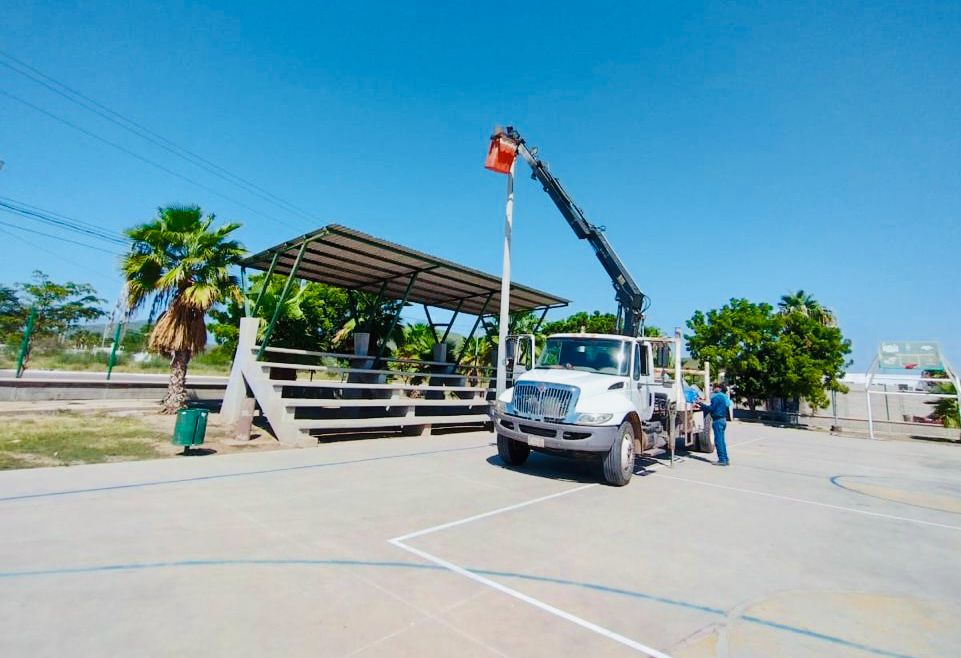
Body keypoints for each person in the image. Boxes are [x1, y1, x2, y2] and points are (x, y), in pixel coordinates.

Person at [697, 383, 731, 466]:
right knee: (722, 441)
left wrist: (701, 405)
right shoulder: (723, 397)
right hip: (722, 420)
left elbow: (711, 409)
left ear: (718, 389)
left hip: (717, 421)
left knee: (718, 441)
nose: (713, 389)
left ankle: (722, 460)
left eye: (715, 387)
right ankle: (725, 458)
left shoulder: (716, 398)